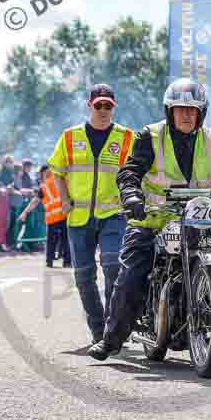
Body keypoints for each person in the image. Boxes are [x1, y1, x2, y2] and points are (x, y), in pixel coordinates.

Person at [88, 78, 211, 360]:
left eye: (192, 110)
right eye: (180, 109)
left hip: (198, 221)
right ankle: (111, 338)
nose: (186, 115)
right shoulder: (150, 136)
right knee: (130, 274)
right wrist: (131, 198)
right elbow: (130, 172)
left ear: (201, 113)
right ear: (169, 111)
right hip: (152, 221)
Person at [47, 83, 135, 344]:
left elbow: (135, 172)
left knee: (113, 269)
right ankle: (98, 330)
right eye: (99, 105)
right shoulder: (70, 137)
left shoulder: (127, 137)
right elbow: (57, 171)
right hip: (78, 217)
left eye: (108, 105)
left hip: (113, 214)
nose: (104, 110)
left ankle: (112, 326)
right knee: (84, 277)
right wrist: (63, 199)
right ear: (90, 106)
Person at [19, 165, 71, 268]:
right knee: (66, 240)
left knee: (51, 241)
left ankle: (49, 261)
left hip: (52, 219)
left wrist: (25, 212)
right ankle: (67, 261)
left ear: (42, 174)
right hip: (64, 216)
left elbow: (35, 201)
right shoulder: (61, 181)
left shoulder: (43, 187)